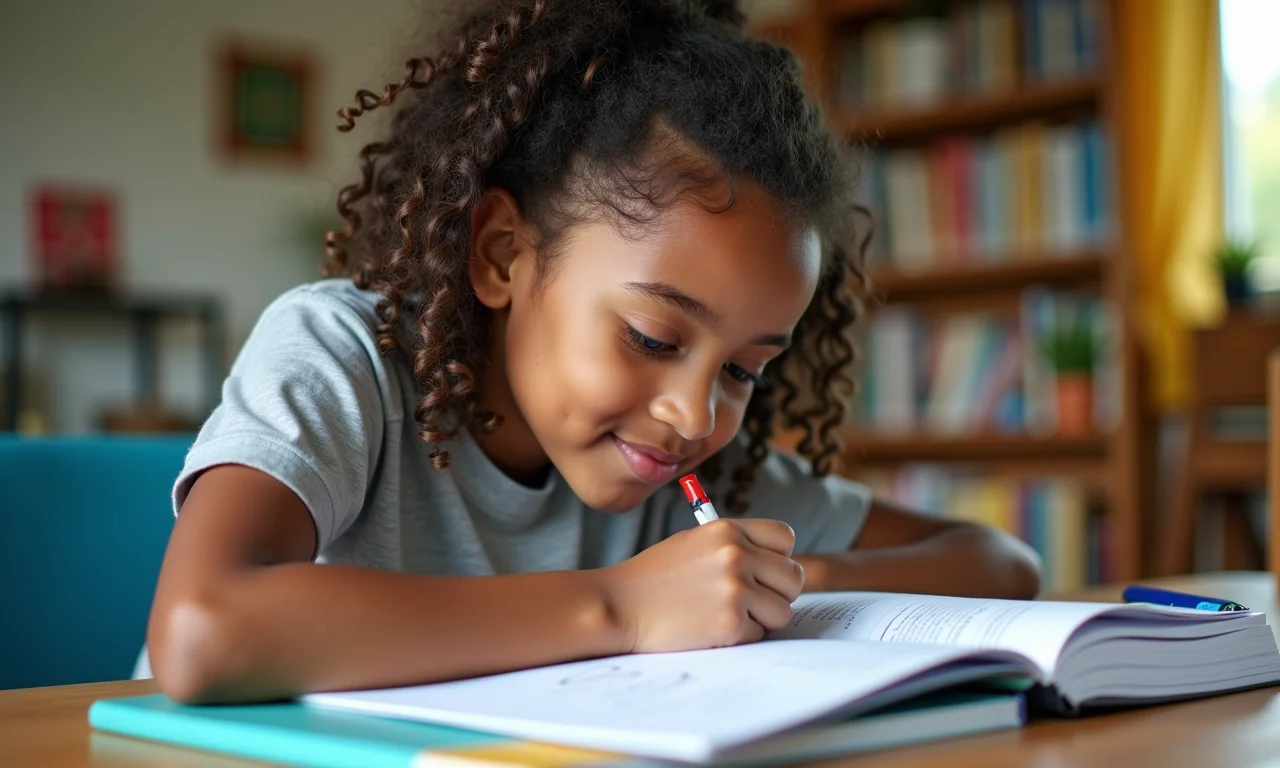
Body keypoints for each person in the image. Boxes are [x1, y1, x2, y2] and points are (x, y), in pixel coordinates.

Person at [146, 0, 1041, 705]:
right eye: (653, 337)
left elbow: (999, 562)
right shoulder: (344, 353)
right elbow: (202, 630)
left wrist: (792, 582)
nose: (696, 415)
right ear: (502, 255)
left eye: (741, 370)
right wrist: (627, 606)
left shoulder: (681, 480)